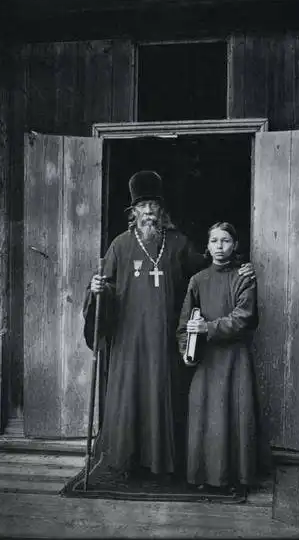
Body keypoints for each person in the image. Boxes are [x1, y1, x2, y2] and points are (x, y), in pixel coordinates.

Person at [83, 171, 255, 480]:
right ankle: (127, 462)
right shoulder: (120, 245)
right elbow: (104, 287)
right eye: (142, 206)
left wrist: (241, 267)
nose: (148, 211)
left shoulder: (178, 243)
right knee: (130, 396)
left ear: (162, 210)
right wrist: (97, 289)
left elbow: (211, 268)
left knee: (164, 395)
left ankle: (161, 464)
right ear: (133, 212)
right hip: (129, 341)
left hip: (163, 339)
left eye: (153, 205)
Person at [177, 222, 259, 494]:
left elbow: (244, 317)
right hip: (206, 359)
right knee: (205, 414)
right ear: (208, 245)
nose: (219, 246)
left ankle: (234, 478)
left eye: (225, 241)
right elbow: (184, 324)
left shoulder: (243, 278)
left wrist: (209, 328)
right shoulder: (198, 280)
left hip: (235, 359)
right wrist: (186, 351)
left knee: (234, 414)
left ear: (235, 245)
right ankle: (202, 474)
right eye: (214, 241)